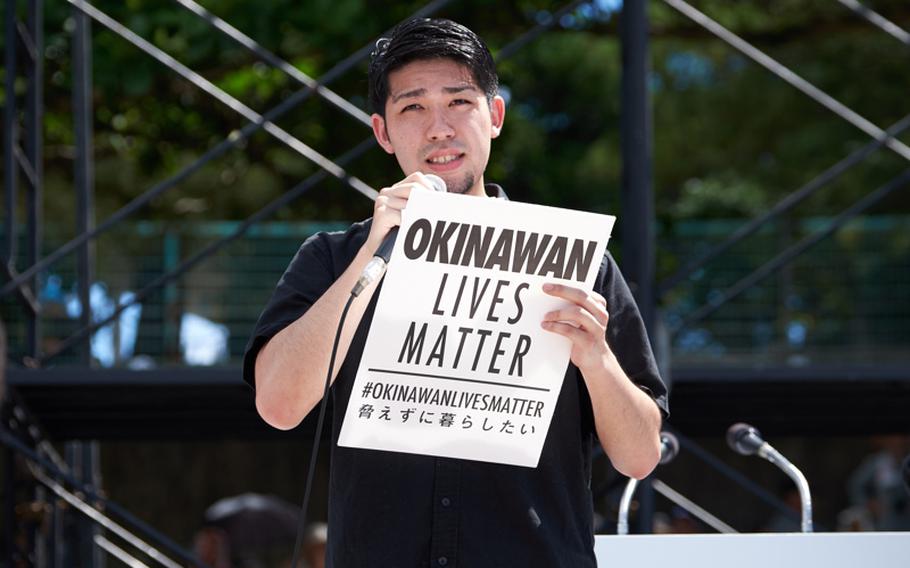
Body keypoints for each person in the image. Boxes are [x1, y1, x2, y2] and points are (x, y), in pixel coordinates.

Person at [244, 18, 668, 567]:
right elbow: (278, 406)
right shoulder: (331, 258)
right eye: (413, 108)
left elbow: (640, 456)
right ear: (382, 132)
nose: (438, 128)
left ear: (494, 116)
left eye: (459, 102)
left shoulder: (577, 263)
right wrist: (374, 254)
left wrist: (596, 358)